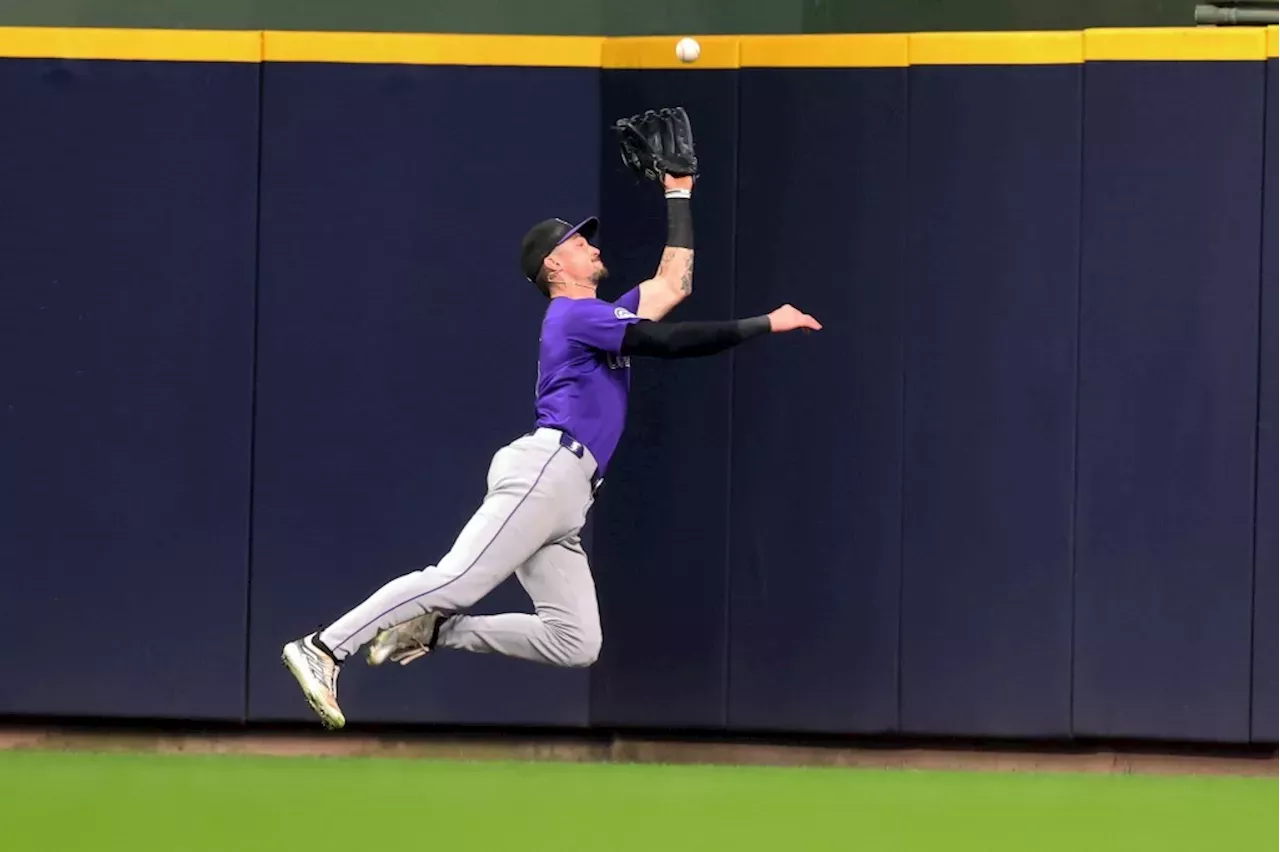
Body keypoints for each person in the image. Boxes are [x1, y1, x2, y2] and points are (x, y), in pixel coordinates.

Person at [281, 170, 822, 729]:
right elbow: (665, 341)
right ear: (553, 267)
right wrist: (765, 323)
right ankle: (324, 646)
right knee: (457, 578)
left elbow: (673, 284)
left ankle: (440, 630)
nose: (591, 246)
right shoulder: (574, 315)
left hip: (569, 494)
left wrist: (678, 192)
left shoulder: (600, 316)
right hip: (548, 469)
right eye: (578, 243)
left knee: (576, 641)